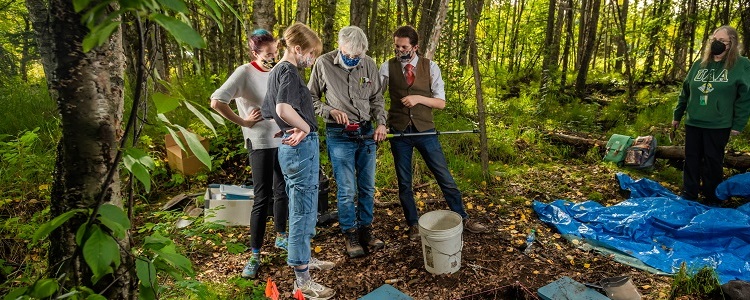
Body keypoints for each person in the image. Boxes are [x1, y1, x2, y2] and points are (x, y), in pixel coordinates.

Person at [378, 25, 488, 240]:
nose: (399, 50)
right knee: (404, 181)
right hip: (399, 132)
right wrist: (381, 122)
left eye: (404, 47)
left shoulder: (431, 67)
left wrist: (418, 98)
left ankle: (462, 217)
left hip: (425, 130)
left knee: (443, 176)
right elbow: (376, 98)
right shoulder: (386, 67)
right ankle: (413, 224)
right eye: (396, 47)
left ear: (415, 47)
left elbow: (440, 102)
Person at [260, 22, 335, 300]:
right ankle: (302, 280)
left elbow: (271, 112)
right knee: (303, 210)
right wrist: (303, 127)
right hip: (300, 148)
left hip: (292, 147)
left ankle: (304, 259)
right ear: (298, 48)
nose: (312, 59)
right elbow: (281, 108)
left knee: (301, 205)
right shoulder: (289, 70)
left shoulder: (276, 71)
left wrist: (290, 125)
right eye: (312, 54)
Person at [209, 29, 289, 279]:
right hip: (260, 142)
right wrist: (243, 122)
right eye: (268, 54)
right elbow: (216, 101)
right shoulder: (244, 72)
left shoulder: (277, 70)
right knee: (262, 197)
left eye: (275, 52)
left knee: (282, 190)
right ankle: (254, 255)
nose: (273, 57)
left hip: (283, 140)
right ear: (255, 53)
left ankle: (281, 236)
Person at [308, 26, 387, 258]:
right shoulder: (323, 63)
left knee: (367, 186)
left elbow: (377, 98)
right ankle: (350, 233)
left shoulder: (369, 64)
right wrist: (330, 111)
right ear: (340, 47)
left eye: (358, 56)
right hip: (339, 134)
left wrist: (381, 122)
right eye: (350, 55)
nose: (354, 59)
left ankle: (366, 229)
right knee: (346, 189)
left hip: (366, 132)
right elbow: (310, 98)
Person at [672, 25, 750, 203]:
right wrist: (678, 115)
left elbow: (745, 97)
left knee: (712, 161)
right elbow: (685, 91)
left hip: (718, 124)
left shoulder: (741, 65)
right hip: (694, 121)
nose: (717, 44)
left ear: (732, 44)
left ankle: (711, 196)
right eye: (715, 40)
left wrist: (738, 124)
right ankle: (689, 194)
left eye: (722, 41)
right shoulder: (699, 64)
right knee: (691, 160)